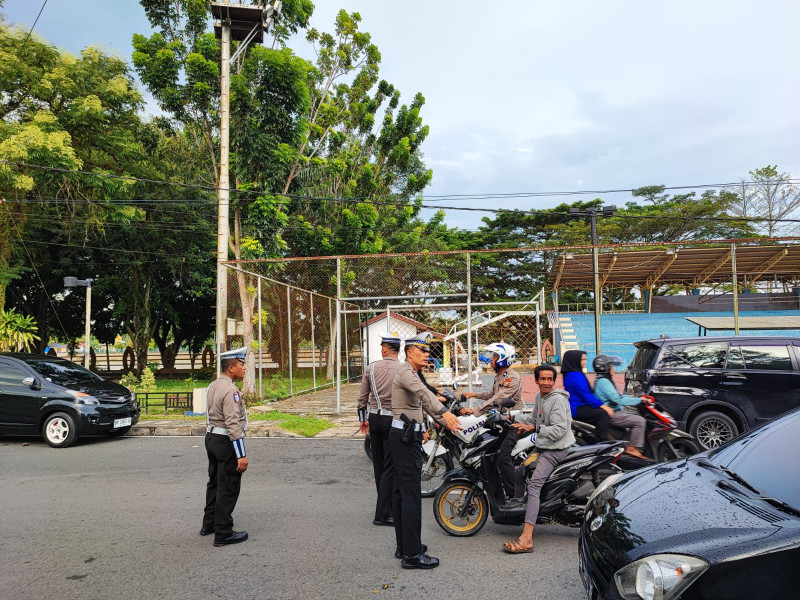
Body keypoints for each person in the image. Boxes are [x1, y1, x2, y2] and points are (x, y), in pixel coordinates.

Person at [390, 332, 462, 569]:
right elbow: (423, 394)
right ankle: (412, 555)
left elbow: (420, 402)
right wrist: (444, 414)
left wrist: (435, 419)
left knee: (402, 494)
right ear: (409, 352)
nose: (427, 355)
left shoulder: (412, 373)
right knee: (410, 495)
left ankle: (405, 547)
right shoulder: (406, 373)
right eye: (422, 351)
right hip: (403, 439)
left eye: (428, 351)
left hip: (406, 436)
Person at [501, 364, 575, 553]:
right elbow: (534, 419)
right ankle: (518, 513)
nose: (546, 382)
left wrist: (535, 429)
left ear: (554, 381)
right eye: (542, 379)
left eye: (550, 379)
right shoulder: (539, 397)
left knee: (534, 485)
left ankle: (527, 539)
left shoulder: (557, 400)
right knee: (519, 471)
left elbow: (559, 430)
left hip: (556, 449)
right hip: (543, 445)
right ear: (536, 381)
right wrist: (510, 418)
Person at [460, 343, 523, 499]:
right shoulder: (500, 376)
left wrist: (474, 410)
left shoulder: (512, 378)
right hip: (501, 421)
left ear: (503, 358)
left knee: (503, 457)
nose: (491, 359)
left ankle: (515, 495)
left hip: (513, 422)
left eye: (494, 356)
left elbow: (498, 398)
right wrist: (472, 395)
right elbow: (492, 393)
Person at [201, 347, 250, 547]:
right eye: (241, 365)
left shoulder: (214, 385)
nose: (244, 368)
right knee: (228, 487)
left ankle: (209, 524)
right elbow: (233, 424)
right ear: (231, 368)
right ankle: (223, 533)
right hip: (226, 442)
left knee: (214, 483)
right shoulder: (230, 391)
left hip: (211, 437)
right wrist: (241, 455)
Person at [357, 331, 403, 526]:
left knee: (379, 466)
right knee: (390, 466)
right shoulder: (403, 369)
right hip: (394, 419)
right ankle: (384, 513)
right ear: (398, 350)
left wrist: (363, 419)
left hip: (375, 418)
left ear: (384, 348)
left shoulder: (371, 368)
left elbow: (362, 398)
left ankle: (384, 506)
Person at [592, 355, 648, 460]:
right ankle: (632, 448)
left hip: (614, 411)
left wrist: (632, 396)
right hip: (612, 414)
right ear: (605, 368)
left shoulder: (603, 380)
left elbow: (617, 397)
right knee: (640, 421)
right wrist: (639, 400)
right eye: (611, 366)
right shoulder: (604, 382)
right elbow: (618, 400)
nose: (613, 368)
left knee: (634, 416)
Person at [561, 350, 613, 442]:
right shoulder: (576, 375)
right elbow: (587, 396)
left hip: (576, 407)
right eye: (582, 360)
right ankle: (601, 443)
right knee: (602, 415)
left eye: (585, 359)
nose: (584, 362)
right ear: (575, 360)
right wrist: (604, 406)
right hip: (577, 408)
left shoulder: (571, 373)